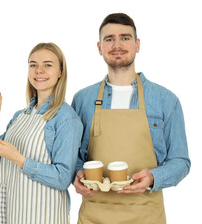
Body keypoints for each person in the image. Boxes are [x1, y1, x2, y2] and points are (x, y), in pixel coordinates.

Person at [72, 13, 191, 223]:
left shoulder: (166, 100)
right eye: (109, 39)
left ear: (137, 44)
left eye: (125, 38)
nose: (117, 45)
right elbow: (73, 157)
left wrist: (153, 177)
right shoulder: (82, 100)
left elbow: (181, 161)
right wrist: (77, 175)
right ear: (99, 48)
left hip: (146, 214)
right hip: (94, 214)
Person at [0, 42, 83, 224]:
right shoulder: (20, 116)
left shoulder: (66, 119)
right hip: (14, 212)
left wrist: (19, 159)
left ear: (60, 72)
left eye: (48, 65)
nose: (39, 70)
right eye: (33, 64)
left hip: (44, 216)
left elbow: (62, 178)